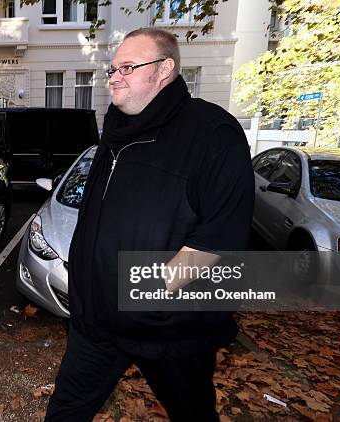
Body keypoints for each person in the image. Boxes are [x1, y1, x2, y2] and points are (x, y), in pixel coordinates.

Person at [45, 28, 255, 421]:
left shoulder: (212, 133)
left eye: (128, 67)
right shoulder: (114, 133)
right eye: (112, 69)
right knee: (64, 413)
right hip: (96, 326)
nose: (114, 77)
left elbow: (218, 238)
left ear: (165, 70)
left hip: (171, 331)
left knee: (193, 414)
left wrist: (146, 294)